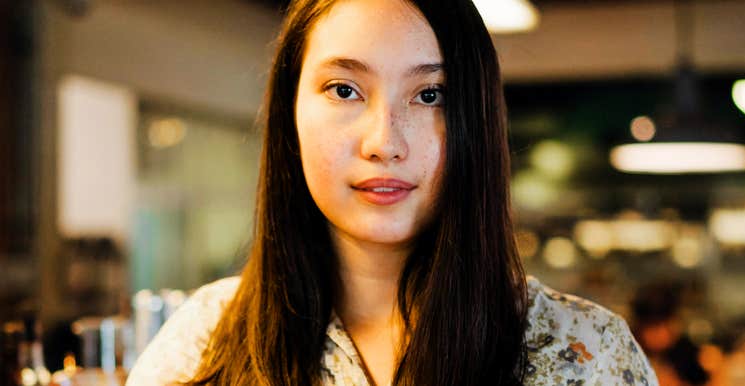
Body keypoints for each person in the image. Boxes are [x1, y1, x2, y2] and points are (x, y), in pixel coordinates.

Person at [126, 0, 657, 385]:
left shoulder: (587, 352)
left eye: (430, 95)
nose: (384, 142)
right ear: (290, 114)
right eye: (344, 90)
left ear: (478, 124)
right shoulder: (203, 341)